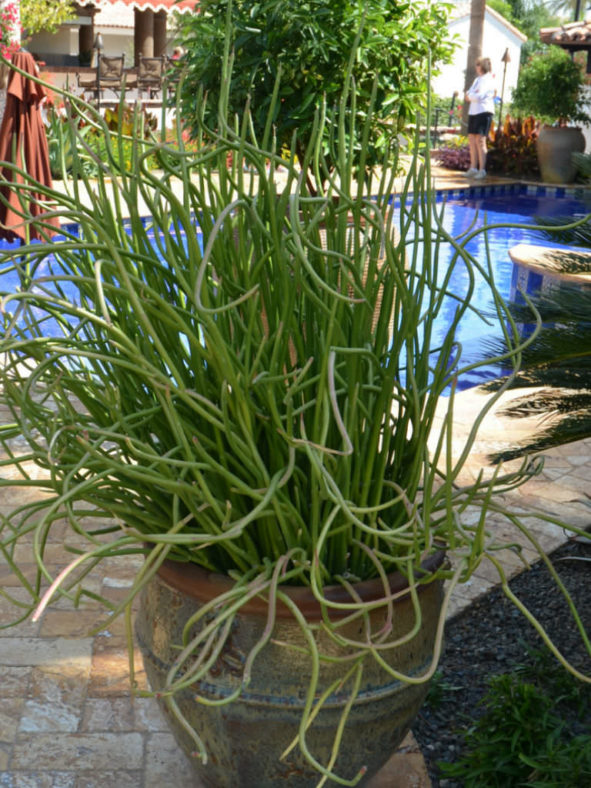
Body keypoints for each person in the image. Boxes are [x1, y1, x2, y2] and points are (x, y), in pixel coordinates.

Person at [464, 57, 495, 179]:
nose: (476, 67)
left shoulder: (488, 80)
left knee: (480, 140)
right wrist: (471, 95)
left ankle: (482, 170)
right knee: (472, 138)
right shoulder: (477, 80)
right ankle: (473, 167)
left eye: (478, 65)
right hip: (474, 112)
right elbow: (469, 93)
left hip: (484, 111)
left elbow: (479, 96)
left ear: (483, 67)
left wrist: (471, 96)